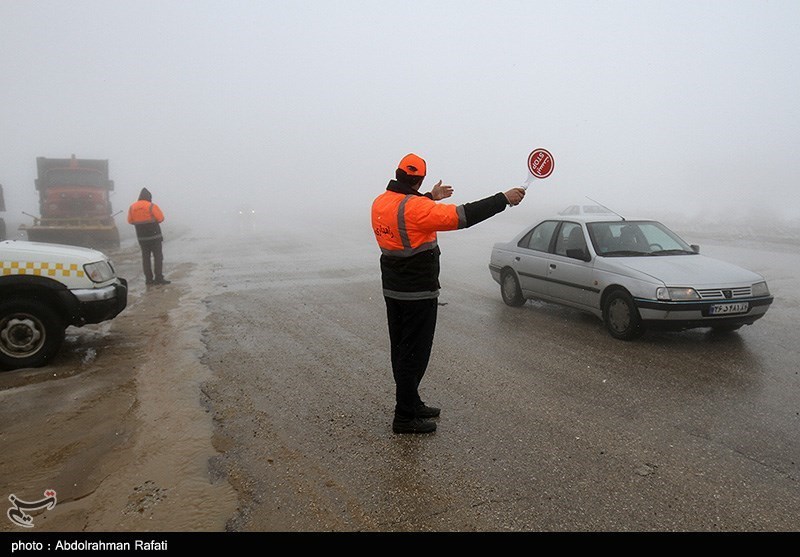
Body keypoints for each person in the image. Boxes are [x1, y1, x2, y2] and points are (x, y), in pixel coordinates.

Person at [371, 153, 526, 434]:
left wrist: (430, 196)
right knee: (414, 354)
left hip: (393, 289)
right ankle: (404, 416)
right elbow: (464, 215)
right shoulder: (417, 208)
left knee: (401, 349)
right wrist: (503, 199)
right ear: (419, 179)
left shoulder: (381, 202)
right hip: (417, 291)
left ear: (398, 174)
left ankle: (412, 401)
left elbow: (407, 211)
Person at [127, 187, 170, 285]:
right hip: (155, 237)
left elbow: (130, 221)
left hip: (142, 238)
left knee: (145, 258)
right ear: (149, 197)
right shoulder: (151, 206)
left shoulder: (132, 207)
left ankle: (148, 279)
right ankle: (158, 278)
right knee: (158, 257)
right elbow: (161, 218)